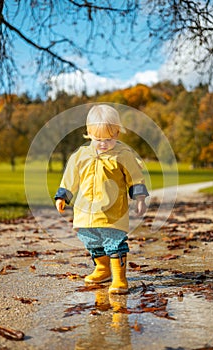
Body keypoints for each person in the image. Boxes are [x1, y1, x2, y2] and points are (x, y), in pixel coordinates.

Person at [55, 104, 149, 294]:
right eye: (98, 139)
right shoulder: (80, 155)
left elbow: (135, 177)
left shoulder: (123, 155)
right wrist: (62, 196)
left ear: (117, 133)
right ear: (89, 133)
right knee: (91, 241)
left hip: (112, 210)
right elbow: (70, 178)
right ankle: (103, 268)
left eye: (109, 138)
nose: (104, 143)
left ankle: (120, 278)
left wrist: (139, 199)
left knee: (114, 243)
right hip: (85, 212)